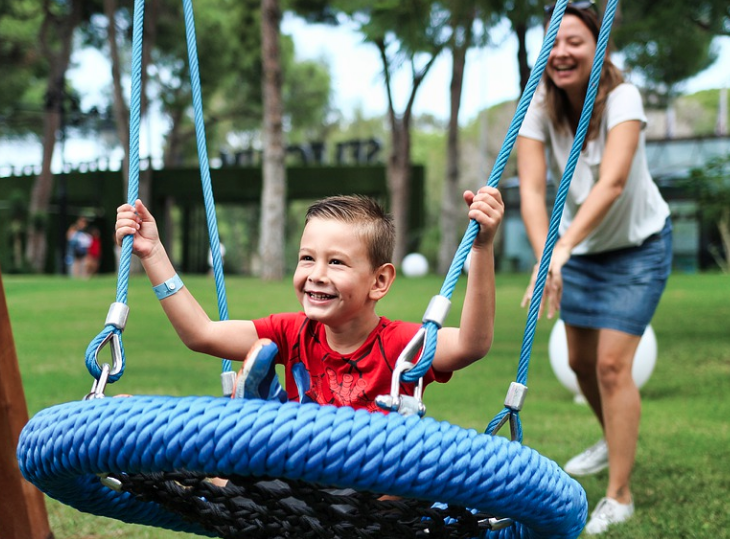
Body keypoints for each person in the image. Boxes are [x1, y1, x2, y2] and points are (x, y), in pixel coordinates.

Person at [115, 190, 503, 413]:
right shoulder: (289, 333)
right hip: (303, 489)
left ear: (379, 281)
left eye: (336, 262)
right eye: (306, 258)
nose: (316, 274)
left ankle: (261, 413)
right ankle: (253, 414)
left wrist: (482, 248)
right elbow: (201, 334)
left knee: (405, 470)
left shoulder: (403, 346)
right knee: (220, 468)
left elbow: (472, 345)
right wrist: (153, 254)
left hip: (374, 495)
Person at [516, 1, 672, 535]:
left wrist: (561, 249)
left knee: (610, 366)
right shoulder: (539, 104)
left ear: (598, 47)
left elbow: (612, 182)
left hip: (638, 248)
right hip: (578, 251)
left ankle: (620, 494)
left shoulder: (623, 97)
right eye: (554, 42)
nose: (562, 52)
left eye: (575, 41)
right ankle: (614, 437)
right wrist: (546, 259)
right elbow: (533, 191)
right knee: (582, 365)